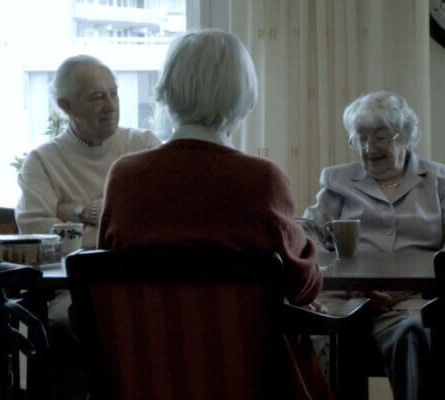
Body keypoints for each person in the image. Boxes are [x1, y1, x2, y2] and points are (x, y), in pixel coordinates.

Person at [98, 30, 329, 400]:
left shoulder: (125, 177)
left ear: (167, 90)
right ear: (245, 97)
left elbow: (108, 272)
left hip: (147, 376)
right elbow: (303, 286)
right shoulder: (261, 180)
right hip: (247, 380)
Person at [300, 90, 445, 400]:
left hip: (413, 299)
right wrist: (344, 275)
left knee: (412, 331)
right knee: (320, 330)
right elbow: (305, 232)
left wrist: (418, 281)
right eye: (360, 139)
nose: (369, 149)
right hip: (348, 297)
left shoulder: (439, 179)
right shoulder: (337, 180)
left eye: (381, 138)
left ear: (405, 136)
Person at [16, 55, 161, 248]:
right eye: (98, 97)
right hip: (71, 268)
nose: (111, 106)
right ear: (66, 105)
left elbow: (158, 222)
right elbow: (36, 232)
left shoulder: (144, 145)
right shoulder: (42, 162)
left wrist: (81, 211)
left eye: (114, 94)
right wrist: (115, 233)